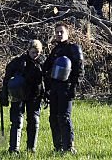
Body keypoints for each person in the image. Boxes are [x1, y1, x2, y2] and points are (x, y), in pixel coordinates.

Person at [42, 23, 84, 153]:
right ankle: (58, 146)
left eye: (61, 32)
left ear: (67, 33)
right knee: (53, 118)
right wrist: (46, 88)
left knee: (64, 118)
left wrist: (74, 87)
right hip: (54, 89)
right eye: (57, 32)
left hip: (66, 88)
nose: (59, 34)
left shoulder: (74, 48)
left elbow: (80, 69)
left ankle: (69, 147)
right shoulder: (55, 51)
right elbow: (45, 68)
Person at [1, 39, 45, 154]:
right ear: (28, 50)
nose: (35, 55)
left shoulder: (43, 63)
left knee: (34, 121)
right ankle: (14, 149)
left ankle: (31, 149)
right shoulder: (18, 62)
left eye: (38, 53)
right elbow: (6, 79)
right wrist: (4, 94)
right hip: (18, 96)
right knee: (17, 121)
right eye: (33, 52)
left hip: (35, 96)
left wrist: (47, 94)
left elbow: (48, 80)